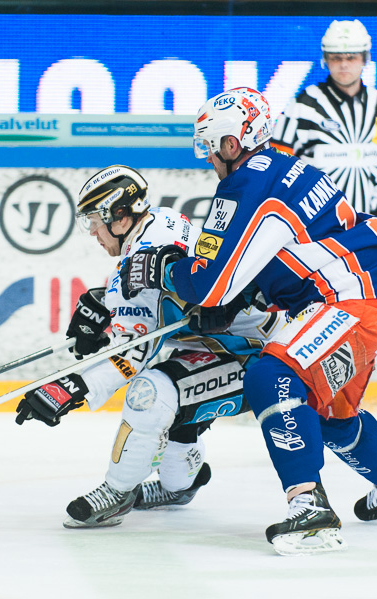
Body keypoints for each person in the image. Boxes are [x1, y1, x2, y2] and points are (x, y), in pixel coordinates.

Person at [120, 87, 377, 555]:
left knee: (273, 375)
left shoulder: (245, 184)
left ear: (231, 144)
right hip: (373, 297)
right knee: (328, 413)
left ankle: (308, 508)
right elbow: (272, 260)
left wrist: (163, 268)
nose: (209, 158)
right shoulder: (286, 169)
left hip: (349, 299)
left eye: (211, 146)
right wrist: (237, 295)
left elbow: (209, 284)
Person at [15, 164, 282, 529]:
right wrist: (105, 302)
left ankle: (117, 492)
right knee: (176, 407)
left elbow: (132, 354)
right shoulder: (162, 219)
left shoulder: (139, 265)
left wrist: (70, 387)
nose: (92, 232)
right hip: (229, 342)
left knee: (150, 394)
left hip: (261, 356)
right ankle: (180, 486)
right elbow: (156, 285)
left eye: (95, 220)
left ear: (119, 215)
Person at [271, 19, 377, 223]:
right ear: (326, 59)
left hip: (365, 226)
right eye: (336, 57)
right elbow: (277, 168)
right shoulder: (302, 107)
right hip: (310, 227)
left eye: (352, 57)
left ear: (365, 58)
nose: (344, 64)